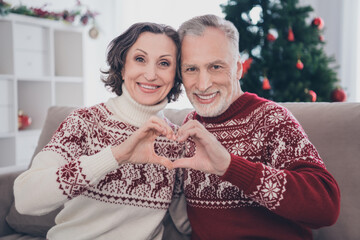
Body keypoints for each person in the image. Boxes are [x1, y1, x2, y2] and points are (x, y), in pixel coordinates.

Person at [172, 14, 341, 240]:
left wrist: (230, 167)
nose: (203, 84)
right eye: (191, 69)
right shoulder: (189, 127)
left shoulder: (271, 119)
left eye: (215, 67)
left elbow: (326, 206)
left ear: (238, 69)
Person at [14, 22, 184, 240]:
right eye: (140, 59)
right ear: (123, 67)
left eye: (164, 63)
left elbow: (185, 223)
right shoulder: (84, 123)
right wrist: (115, 156)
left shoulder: (176, 141)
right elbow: (25, 199)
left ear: (176, 74)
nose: (151, 74)